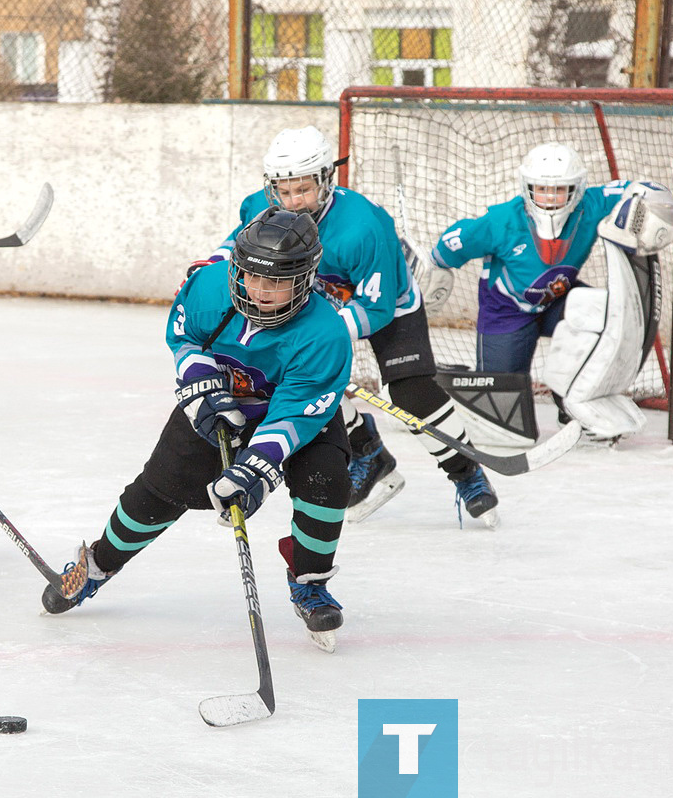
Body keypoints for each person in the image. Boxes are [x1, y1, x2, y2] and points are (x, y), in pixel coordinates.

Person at [42, 207, 354, 652]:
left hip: (289, 417)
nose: (261, 291)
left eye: (277, 282)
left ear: (305, 278)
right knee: (155, 493)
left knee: (327, 480)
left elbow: (293, 416)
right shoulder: (209, 285)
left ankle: (310, 582)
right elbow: (183, 336)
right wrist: (197, 381)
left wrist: (252, 469)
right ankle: (98, 564)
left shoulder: (325, 334)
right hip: (216, 404)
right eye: (252, 276)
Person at [203, 126, 498, 527]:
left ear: (326, 179)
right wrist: (207, 271)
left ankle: (467, 474)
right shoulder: (261, 207)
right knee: (305, 381)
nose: (293, 201)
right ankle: (369, 452)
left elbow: (376, 308)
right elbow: (238, 246)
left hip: (387, 305)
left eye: (303, 189)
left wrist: (321, 337)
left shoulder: (361, 226)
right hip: (314, 307)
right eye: (284, 191)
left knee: (412, 391)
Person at [430, 142, 673, 439]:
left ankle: (573, 406)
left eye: (560, 190)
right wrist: (434, 270)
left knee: (600, 315)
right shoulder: (500, 221)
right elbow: (448, 246)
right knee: (500, 404)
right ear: (527, 187)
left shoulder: (591, 204)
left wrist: (650, 209)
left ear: (576, 188)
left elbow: (643, 191)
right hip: (506, 313)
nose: (550, 198)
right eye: (542, 189)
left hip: (559, 301)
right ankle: (432, 387)